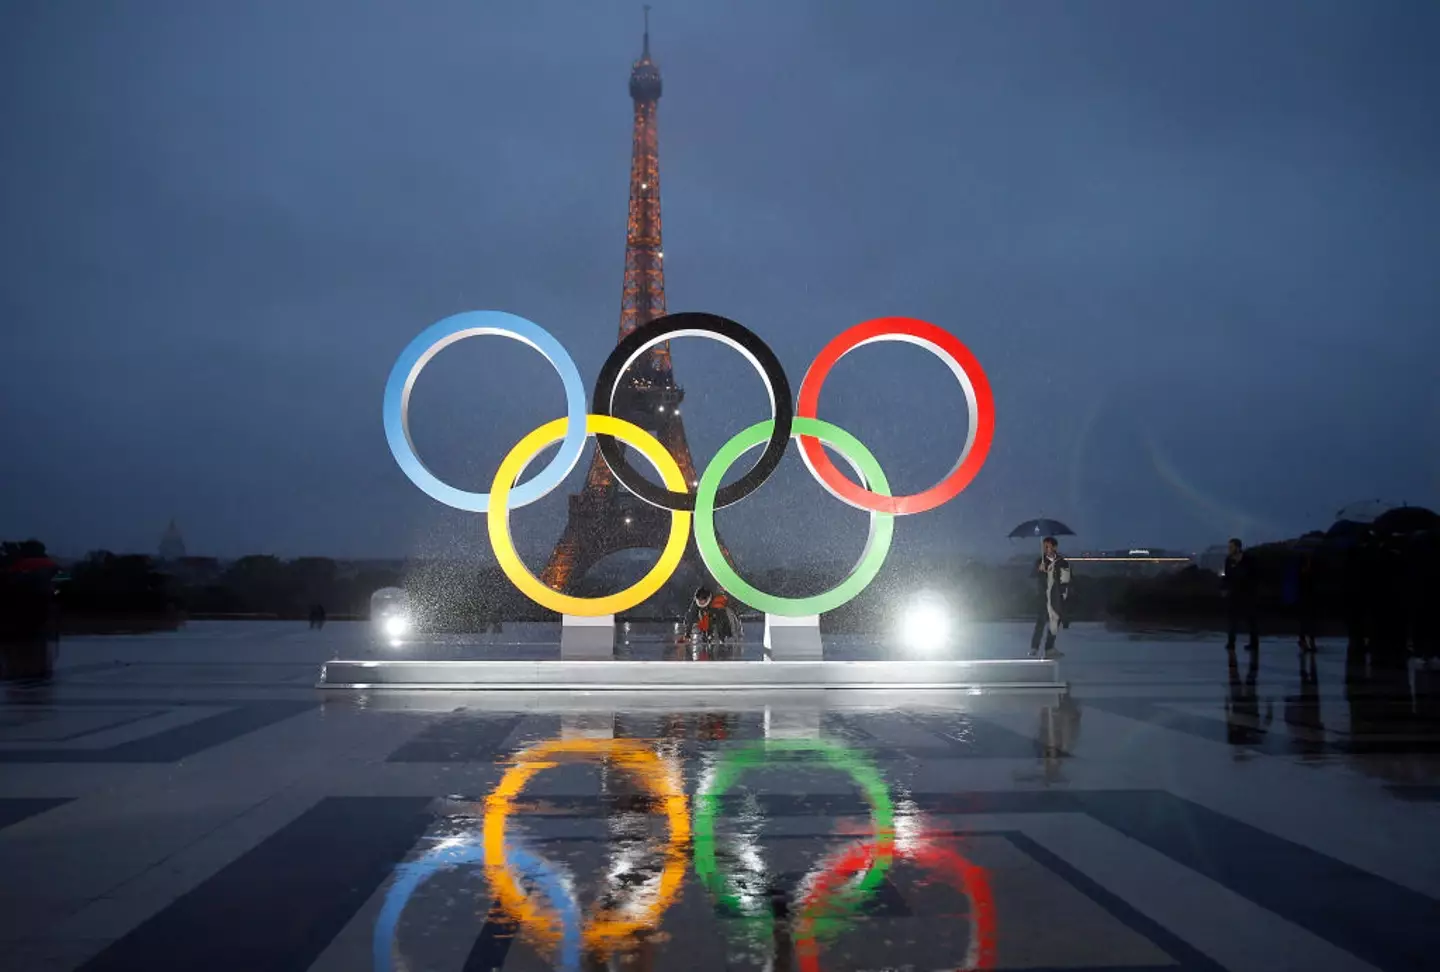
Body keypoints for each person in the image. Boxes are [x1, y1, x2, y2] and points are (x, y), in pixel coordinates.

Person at [1029, 536, 1070, 658]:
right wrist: (1040, 570)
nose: (1046, 548)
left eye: (1048, 546)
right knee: (1041, 621)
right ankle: (1034, 647)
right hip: (1043, 595)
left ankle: (1049, 648)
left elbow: (1066, 579)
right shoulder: (1039, 561)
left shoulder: (1061, 561)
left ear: (1055, 547)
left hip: (1056, 594)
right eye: (1044, 546)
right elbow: (1033, 576)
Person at [1222, 538, 1259, 652]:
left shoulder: (1248, 559)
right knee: (1232, 619)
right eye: (1229, 547)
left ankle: (1254, 643)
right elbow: (1227, 576)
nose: (1229, 549)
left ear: (1238, 547)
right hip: (1234, 593)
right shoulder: (1228, 560)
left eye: (1231, 547)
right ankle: (1231, 642)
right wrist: (1224, 588)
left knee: (1250, 619)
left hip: (1247, 593)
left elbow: (1252, 574)